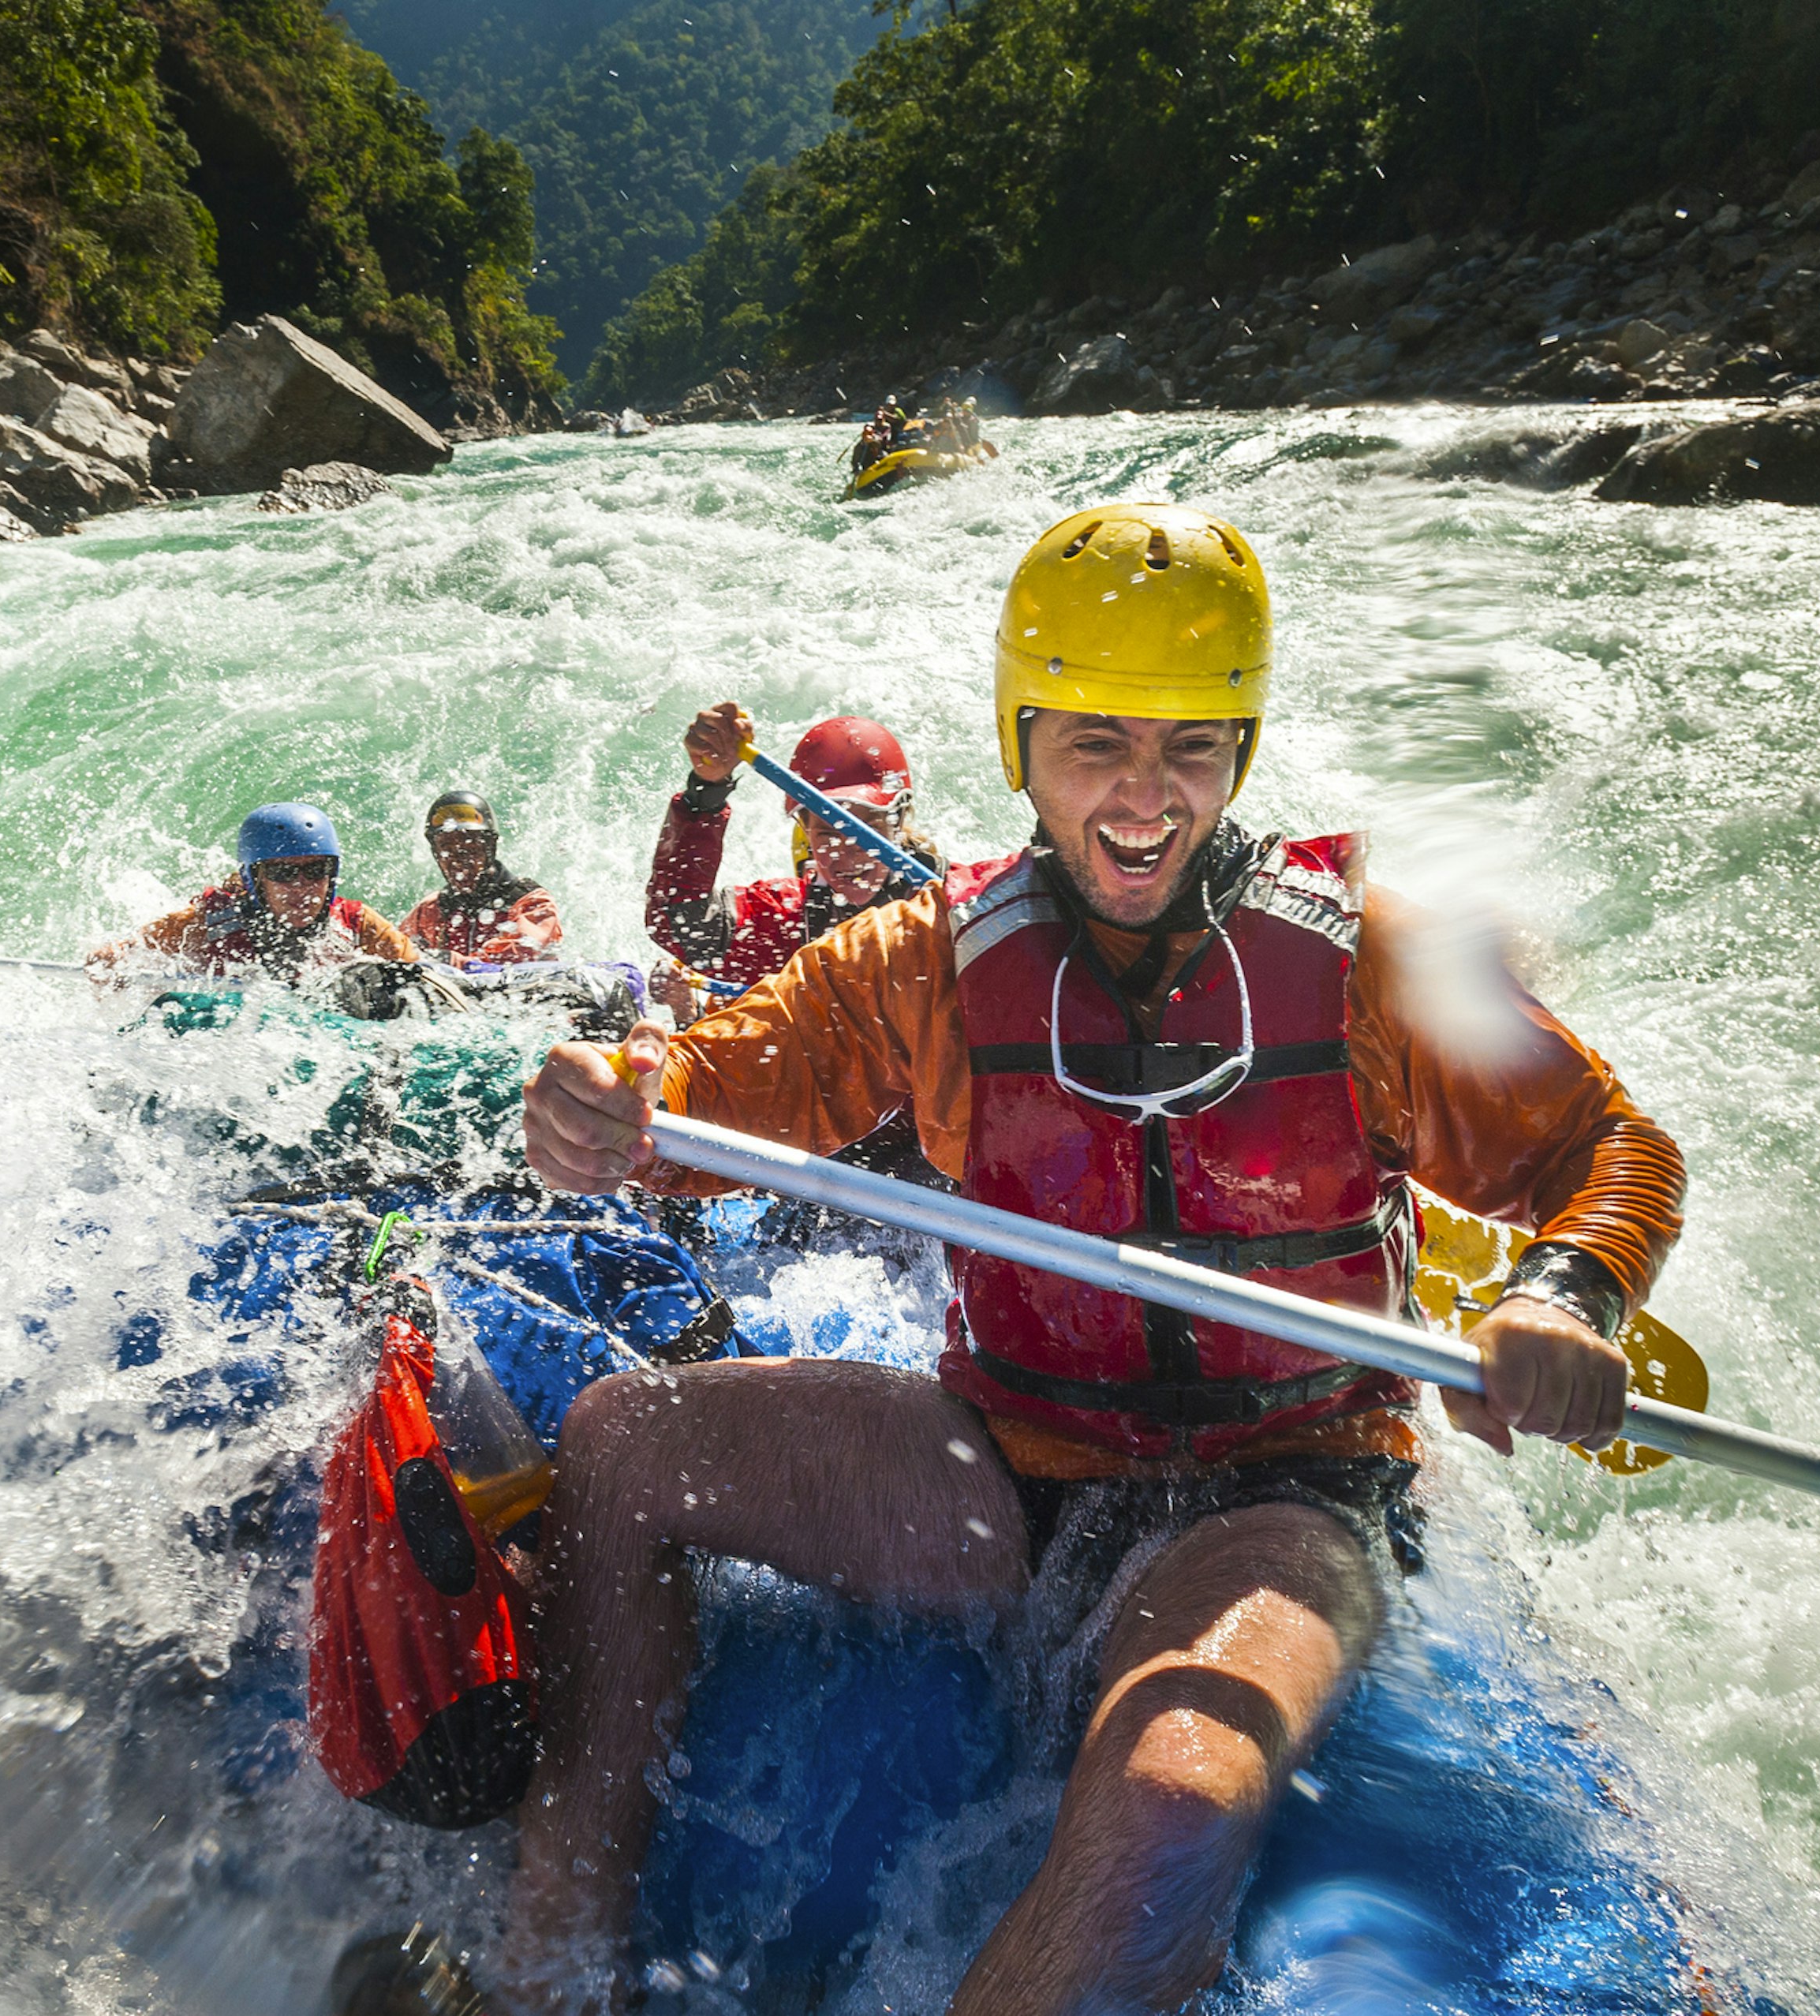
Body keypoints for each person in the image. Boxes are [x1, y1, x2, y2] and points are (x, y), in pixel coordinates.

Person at [508, 504, 1686, 2014]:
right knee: (621, 1443)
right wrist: (615, 1092)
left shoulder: (1367, 962)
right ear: (1023, 743)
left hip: (1283, 1488)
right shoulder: (930, 956)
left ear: (1242, 756)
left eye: (1192, 747)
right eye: (1095, 745)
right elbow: (729, 1070)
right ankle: (546, 1967)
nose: (1146, 794)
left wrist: (1567, 1287)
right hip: (1001, 1468)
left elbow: (1613, 1145)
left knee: (1178, 1795)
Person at [643, 706, 938, 1018]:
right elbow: (679, 924)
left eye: (868, 829)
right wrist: (706, 793)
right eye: (827, 834)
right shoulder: (789, 920)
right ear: (805, 830)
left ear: (900, 819)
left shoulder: (948, 903)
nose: (849, 853)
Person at [98, 801, 415, 981]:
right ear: (254, 879)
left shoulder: (357, 925)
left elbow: (423, 974)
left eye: (316, 871)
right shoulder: (209, 922)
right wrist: (111, 962)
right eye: (283, 873)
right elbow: (127, 952)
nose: (302, 886)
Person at [401, 791, 562, 966]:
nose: (458, 860)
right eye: (447, 848)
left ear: (490, 848)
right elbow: (400, 949)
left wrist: (451, 961)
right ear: (436, 854)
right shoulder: (431, 908)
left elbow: (516, 956)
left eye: (470, 847)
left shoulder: (531, 902)